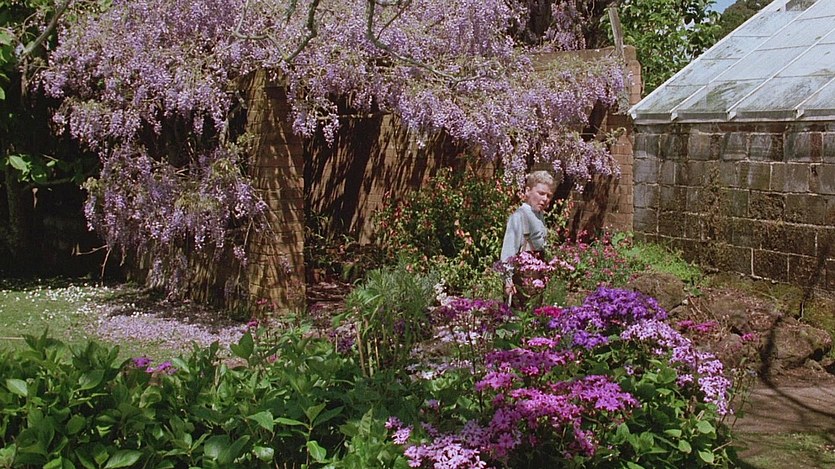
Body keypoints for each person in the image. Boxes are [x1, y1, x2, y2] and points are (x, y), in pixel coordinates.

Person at [499, 170, 556, 299]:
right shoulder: (519, 216)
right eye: (541, 193)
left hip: (536, 276)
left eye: (548, 196)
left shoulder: (539, 215)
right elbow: (508, 250)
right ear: (528, 191)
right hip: (521, 279)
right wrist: (508, 281)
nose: (545, 199)